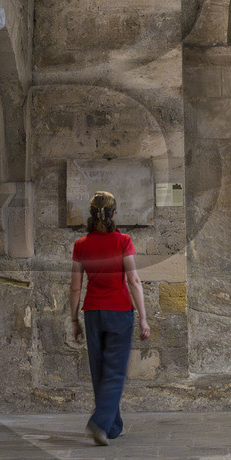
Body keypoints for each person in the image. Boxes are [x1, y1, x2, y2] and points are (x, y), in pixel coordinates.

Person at [69, 190, 150, 444]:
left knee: (100, 371)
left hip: (93, 313)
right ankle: (99, 423)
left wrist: (74, 319)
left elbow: (75, 286)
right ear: (114, 213)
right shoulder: (123, 241)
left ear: (91, 215)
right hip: (119, 312)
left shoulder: (81, 245)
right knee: (114, 371)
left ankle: (113, 426)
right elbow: (134, 280)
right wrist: (144, 318)